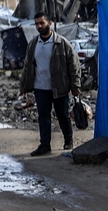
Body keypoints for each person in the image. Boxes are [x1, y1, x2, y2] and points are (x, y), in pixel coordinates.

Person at [19, 12, 80, 156]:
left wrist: (75, 87)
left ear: (50, 23)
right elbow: (27, 67)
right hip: (40, 87)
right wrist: (24, 86)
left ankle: (68, 140)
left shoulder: (62, 43)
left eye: (42, 23)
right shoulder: (33, 44)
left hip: (60, 87)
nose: (39, 26)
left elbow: (74, 66)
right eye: (37, 24)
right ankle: (45, 145)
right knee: (43, 116)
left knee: (62, 115)